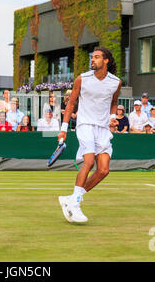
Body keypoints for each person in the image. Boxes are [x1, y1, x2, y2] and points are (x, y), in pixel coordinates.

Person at [58, 47, 121, 223]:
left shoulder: (116, 82)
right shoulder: (82, 79)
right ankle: (75, 204)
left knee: (103, 170)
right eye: (92, 57)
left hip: (103, 128)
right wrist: (63, 128)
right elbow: (70, 105)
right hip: (85, 124)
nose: (93, 60)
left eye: (97, 57)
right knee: (89, 161)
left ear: (106, 60)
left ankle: (71, 198)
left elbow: (113, 102)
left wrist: (113, 118)